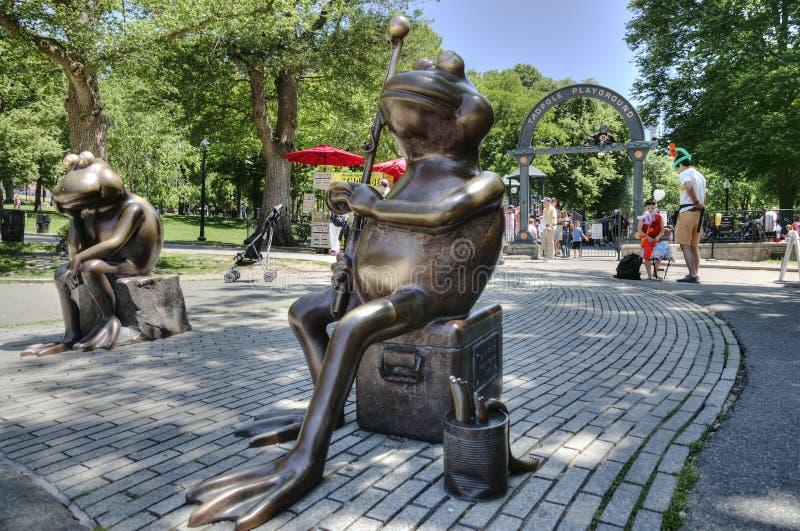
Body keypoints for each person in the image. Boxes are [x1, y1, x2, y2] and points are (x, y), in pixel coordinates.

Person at [671, 144, 706, 283]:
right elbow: (705, 195)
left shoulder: (685, 174)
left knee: (684, 244)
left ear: (680, 165)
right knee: (694, 245)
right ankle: (695, 274)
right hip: (699, 213)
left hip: (687, 211)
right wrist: (700, 204)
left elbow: (688, 186)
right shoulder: (700, 175)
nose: (677, 172)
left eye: (676, 168)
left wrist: (695, 201)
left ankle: (691, 274)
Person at [639, 198, 665, 280]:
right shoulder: (642, 217)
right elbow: (639, 230)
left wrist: (658, 236)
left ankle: (655, 273)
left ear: (656, 207)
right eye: (648, 208)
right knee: (647, 257)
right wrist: (647, 237)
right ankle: (649, 275)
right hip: (647, 240)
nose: (650, 210)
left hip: (657, 240)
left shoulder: (659, 217)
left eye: (652, 208)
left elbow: (662, 229)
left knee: (659, 256)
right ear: (646, 208)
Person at [542, 197, 557, 261]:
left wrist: (550, 226)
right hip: (545, 227)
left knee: (550, 242)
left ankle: (551, 257)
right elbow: (544, 219)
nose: (543, 203)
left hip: (551, 226)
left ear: (548, 202)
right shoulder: (544, 209)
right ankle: (547, 256)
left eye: (544, 202)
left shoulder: (552, 209)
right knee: (544, 242)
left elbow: (553, 218)